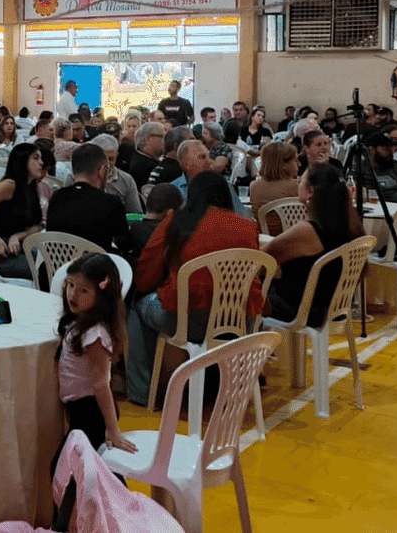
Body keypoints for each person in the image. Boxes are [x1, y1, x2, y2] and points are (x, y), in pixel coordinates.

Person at [126, 172, 263, 407]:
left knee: (138, 305)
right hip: (238, 321)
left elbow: (146, 272)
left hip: (187, 320)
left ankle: (142, 392)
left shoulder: (176, 222)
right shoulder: (248, 227)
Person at [263, 163, 364, 327]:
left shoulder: (307, 231)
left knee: (242, 294)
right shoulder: (352, 224)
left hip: (303, 310)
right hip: (336, 305)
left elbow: (263, 258)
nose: (298, 184)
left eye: (300, 181)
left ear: (310, 191)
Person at [56, 253, 136, 458]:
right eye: (71, 285)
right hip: (80, 410)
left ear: (102, 297)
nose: (73, 294)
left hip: (91, 412)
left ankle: (121, 492)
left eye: (83, 290)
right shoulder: (79, 321)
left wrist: (112, 428)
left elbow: (100, 383)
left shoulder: (95, 335)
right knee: (92, 470)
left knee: (76, 468)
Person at [42, 144, 131, 263]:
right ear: (102, 171)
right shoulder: (111, 202)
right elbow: (123, 241)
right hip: (94, 272)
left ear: (74, 171)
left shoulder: (57, 197)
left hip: (58, 269)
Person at [0, 143, 45, 281]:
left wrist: (17, 236)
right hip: (1, 255)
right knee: (46, 272)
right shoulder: (9, 185)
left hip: (22, 250)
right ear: (23, 160)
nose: (41, 163)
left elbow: (36, 226)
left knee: (56, 266)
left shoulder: (30, 188)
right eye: (36, 158)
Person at [356, 129, 397, 204]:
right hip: (375, 210)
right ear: (371, 150)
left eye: (390, 147)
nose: (390, 151)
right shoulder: (362, 170)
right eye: (385, 148)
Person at [250, 140, 300, 232]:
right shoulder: (296, 187)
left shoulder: (254, 186)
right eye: (295, 160)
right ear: (284, 165)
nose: (299, 165)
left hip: (265, 239)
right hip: (295, 239)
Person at [127, 122, 166, 189]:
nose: (165, 141)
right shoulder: (141, 167)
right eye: (162, 137)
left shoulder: (145, 159)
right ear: (147, 139)